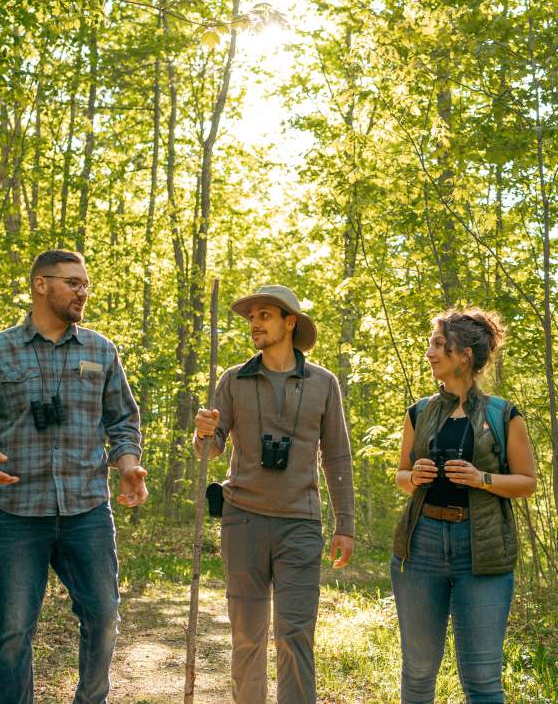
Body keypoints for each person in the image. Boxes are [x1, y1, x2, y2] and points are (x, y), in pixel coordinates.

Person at [0, 249, 148, 704]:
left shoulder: (101, 350)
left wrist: (127, 466)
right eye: (73, 283)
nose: (84, 291)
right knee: (14, 633)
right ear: (41, 284)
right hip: (17, 513)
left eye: (85, 283)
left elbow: (122, 422)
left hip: (87, 511)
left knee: (102, 616)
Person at [194, 284, 355, 704]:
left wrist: (346, 525)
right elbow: (211, 450)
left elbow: (337, 456)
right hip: (242, 520)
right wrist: (203, 433)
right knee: (247, 636)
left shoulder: (323, 383)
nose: (254, 324)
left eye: (264, 315)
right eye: (250, 317)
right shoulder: (233, 380)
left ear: (290, 322)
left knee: (295, 634)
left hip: (300, 524)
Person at [391, 308, 536, 704]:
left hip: (484, 553)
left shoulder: (503, 414)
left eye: (439, 344)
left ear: (464, 356)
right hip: (420, 549)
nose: (430, 353)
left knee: (483, 680)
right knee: (418, 673)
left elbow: (527, 482)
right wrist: (414, 476)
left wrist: (481, 479)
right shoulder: (419, 412)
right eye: (431, 344)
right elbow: (401, 476)